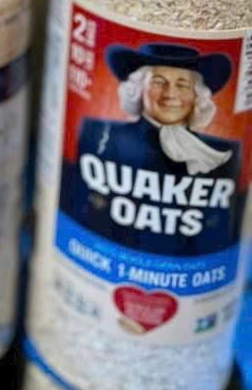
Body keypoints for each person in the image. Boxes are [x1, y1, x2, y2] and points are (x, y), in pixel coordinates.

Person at [64, 42, 242, 255]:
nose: (170, 94)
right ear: (138, 90)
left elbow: (219, 235)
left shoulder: (222, 155)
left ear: (197, 96)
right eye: (158, 82)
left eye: (183, 85)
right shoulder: (100, 136)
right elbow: (79, 209)